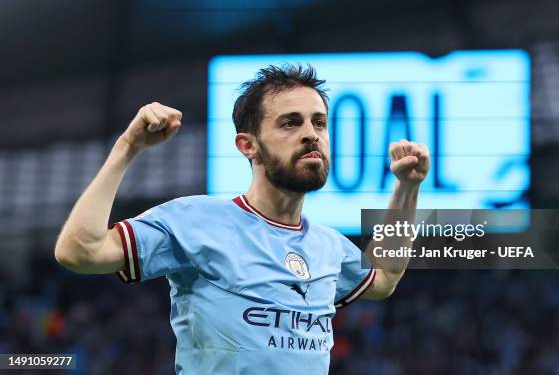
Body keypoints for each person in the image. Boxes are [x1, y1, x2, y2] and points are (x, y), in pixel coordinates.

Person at [54, 64, 430, 374]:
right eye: (290, 123)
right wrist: (127, 147)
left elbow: (383, 278)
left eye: (318, 123)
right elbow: (80, 251)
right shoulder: (195, 220)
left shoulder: (328, 246)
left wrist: (407, 188)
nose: (310, 135)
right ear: (248, 145)